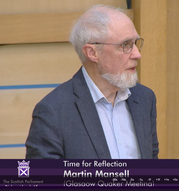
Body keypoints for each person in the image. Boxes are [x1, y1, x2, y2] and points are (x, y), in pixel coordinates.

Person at [25, 4, 159, 159]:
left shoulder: (144, 99)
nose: (137, 54)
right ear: (92, 53)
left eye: (136, 43)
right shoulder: (54, 112)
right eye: (125, 45)